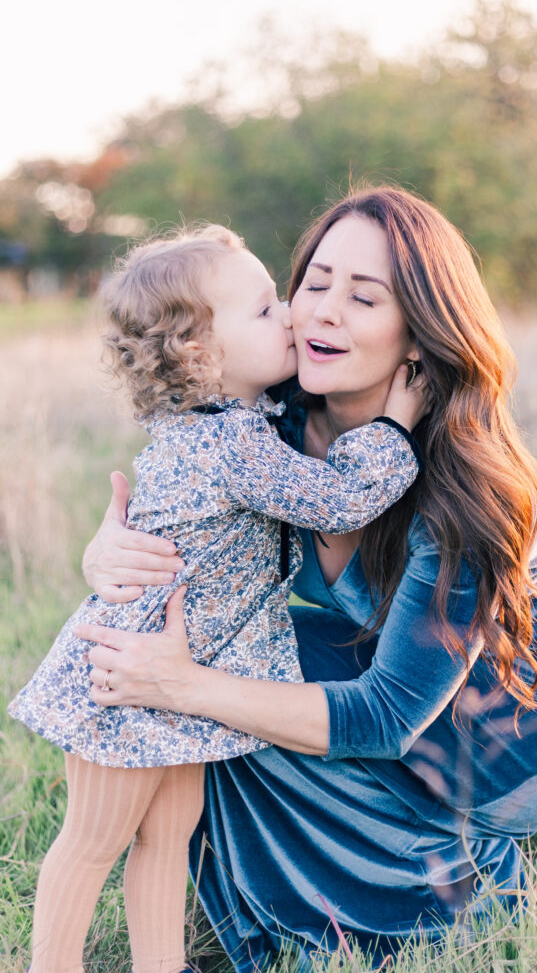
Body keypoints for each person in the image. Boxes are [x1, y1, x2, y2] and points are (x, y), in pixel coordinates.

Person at [78, 187, 537, 972]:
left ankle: (447, 882)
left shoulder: (468, 485)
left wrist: (181, 684)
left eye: (364, 297)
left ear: (419, 333)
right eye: (314, 282)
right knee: (218, 645)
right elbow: (180, 489)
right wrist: (108, 550)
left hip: (514, 732)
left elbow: (390, 714)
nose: (321, 312)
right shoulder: (275, 421)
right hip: (384, 664)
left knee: (216, 679)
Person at [9, 222, 428, 973]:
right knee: (93, 840)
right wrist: (396, 427)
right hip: (131, 678)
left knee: (170, 836)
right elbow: (338, 499)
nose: (292, 317)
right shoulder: (227, 442)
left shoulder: (239, 424)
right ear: (204, 354)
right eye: (267, 310)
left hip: (181, 674)